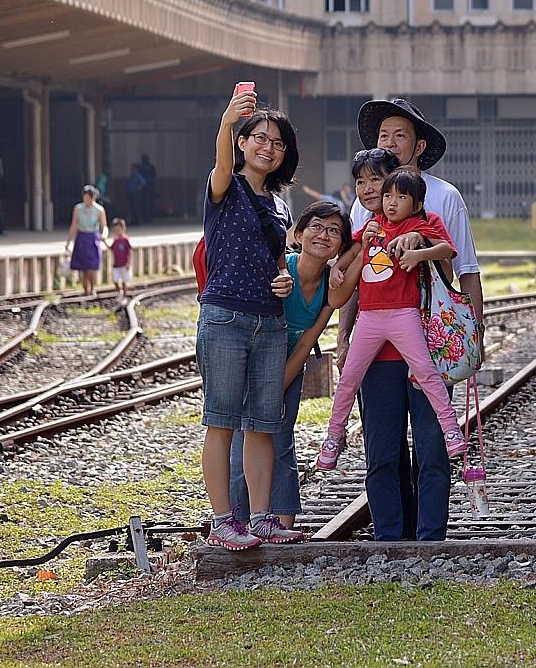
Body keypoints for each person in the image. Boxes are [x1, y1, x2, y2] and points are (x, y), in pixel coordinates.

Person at [339, 98, 482, 542]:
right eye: (383, 136)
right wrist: (343, 336)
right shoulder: (363, 203)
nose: (390, 143)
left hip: (431, 341)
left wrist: (475, 328)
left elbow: (468, 269)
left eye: (400, 135)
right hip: (376, 347)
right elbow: (356, 276)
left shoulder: (445, 197)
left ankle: (430, 537)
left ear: (419, 145)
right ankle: (389, 536)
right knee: (381, 449)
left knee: (432, 444)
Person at [196, 87, 305, 550]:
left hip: (269, 321)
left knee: (263, 423)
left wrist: (284, 280)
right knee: (221, 420)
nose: (268, 147)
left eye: (277, 143)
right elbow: (221, 164)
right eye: (258, 137)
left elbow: (279, 263)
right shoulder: (225, 186)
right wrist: (226, 121)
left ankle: (261, 517)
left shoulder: (281, 207)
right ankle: (223, 519)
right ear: (242, 143)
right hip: (224, 316)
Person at [317, 167, 467, 471]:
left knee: (425, 372)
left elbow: (447, 250)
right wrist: (336, 268)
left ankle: (451, 430)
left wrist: (418, 255)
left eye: (401, 197)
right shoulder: (374, 224)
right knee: (349, 378)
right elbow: (353, 249)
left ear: (417, 204)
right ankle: (334, 436)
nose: (392, 202)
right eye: (388, 195)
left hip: (403, 313)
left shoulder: (421, 224)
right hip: (369, 317)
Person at [230, 199, 353, 529]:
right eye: (316, 226)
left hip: (289, 368)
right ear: (298, 233)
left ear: (341, 245)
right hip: (253, 364)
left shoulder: (331, 284)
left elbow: (309, 339)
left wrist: (281, 382)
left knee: (282, 440)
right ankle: (238, 521)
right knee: (245, 439)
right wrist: (266, 385)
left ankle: (283, 523)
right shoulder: (282, 272)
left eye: (334, 232)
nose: (323, 235)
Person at [65, 185, 108, 297]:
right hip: (81, 237)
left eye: (88, 197)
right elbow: (74, 225)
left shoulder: (99, 210)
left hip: (93, 238)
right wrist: (69, 242)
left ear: (93, 197)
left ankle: (93, 288)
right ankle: (85, 290)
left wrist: (104, 235)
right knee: (83, 267)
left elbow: (104, 226)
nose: (86, 199)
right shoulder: (78, 208)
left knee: (92, 266)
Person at [108, 218, 133, 302]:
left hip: (124, 264)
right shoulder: (115, 240)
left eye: (118, 230)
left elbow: (130, 252)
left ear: (123, 229)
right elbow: (111, 249)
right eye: (115, 230)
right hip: (116, 264)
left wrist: (129, 263)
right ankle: (120, 293)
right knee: (115, 280)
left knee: (124, 281)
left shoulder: (126, 240)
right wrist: (104, 242)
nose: (117, 232)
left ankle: (124, 296)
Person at [138, 153, 158, 224]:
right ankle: (149, 217)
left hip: (145, 188)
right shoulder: (151, 167)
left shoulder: (141, 167)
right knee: (148, 203)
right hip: (149, 188)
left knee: (144, 203)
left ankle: (146, 217)